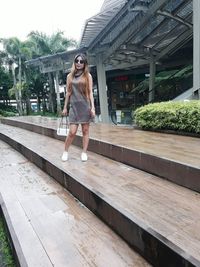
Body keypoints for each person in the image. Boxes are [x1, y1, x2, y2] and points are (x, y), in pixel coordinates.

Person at [61, 53, 95, 162]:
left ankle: (84, 152)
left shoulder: (87, 76)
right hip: (74, 107)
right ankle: (65, 151)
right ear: (74, 62)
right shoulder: (69, 76)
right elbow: (68, 92)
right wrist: (65, 107)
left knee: (85, 130)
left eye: (81, 61)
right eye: (77, 61)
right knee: (72, 132)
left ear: (85, 64)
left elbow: (90, 93)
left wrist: (93, 107)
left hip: (85, 106)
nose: (79, 63)